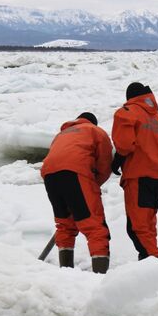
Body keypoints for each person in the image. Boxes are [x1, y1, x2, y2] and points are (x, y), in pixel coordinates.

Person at [41, 112, 113, 274]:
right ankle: (99, 279)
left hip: (49, 176)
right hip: (76, 172)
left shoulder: (61, 134)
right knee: (95, 228)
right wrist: (93, 186)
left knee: (64, 225)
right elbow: (104, 163)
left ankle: (66, 273)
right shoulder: (95, 131)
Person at [111, 82, 158, 270]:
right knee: (148, 228)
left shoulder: (127, 112)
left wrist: (116, 161)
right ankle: (146, 269)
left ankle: (157, 270)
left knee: (138, 229)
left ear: (130, 97)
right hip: (157, 179)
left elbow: (124, 144)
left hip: (139, 178)